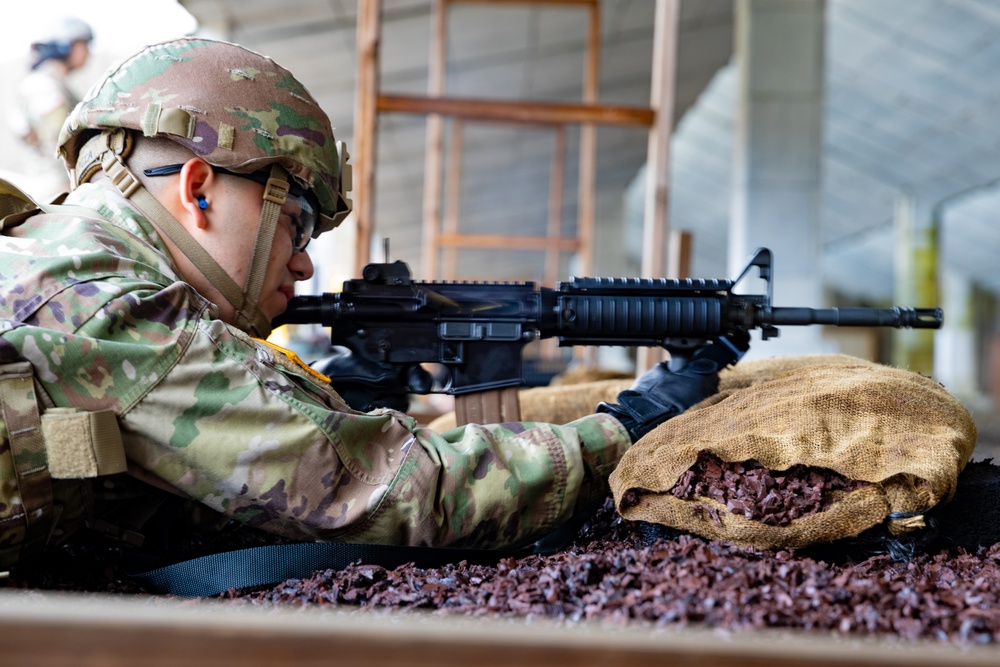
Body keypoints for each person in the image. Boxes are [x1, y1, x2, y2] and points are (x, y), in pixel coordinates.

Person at [0, 38, 744, 567]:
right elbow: (398, 492)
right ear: (198, 190)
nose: (302, 259)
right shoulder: (107, 307)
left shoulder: (58, 262)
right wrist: (626, 427)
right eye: (296, 220)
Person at [10, 17, 94, 201]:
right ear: (65, 46)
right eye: (83, 44)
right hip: (58, 189)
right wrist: (71, 193)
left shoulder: (54, 82)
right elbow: (57, 145)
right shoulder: (44, 85)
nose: (88, 52)